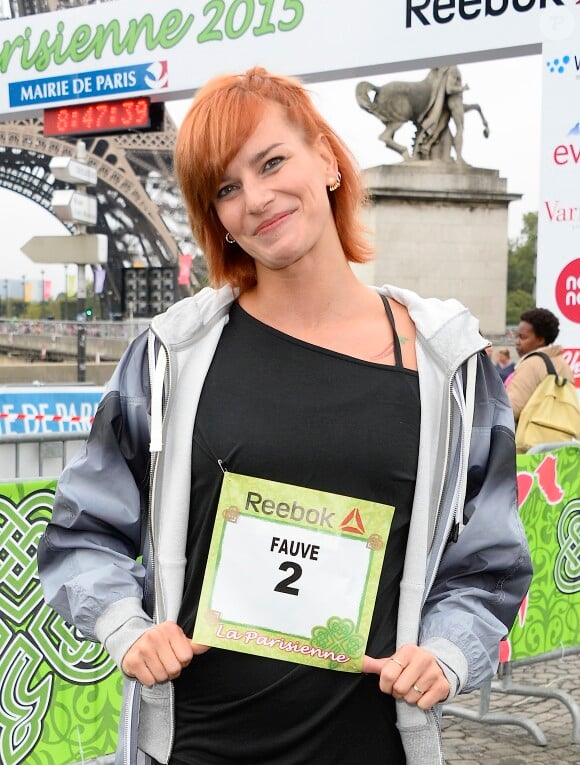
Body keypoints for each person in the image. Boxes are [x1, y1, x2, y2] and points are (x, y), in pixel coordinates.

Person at [37, 67, 532, 765]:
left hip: (371, 746)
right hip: (198, 745)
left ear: (326, 158)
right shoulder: (168, 357)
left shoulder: (450, 366)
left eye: (272, 162)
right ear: (217, 220)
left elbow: (489, 563)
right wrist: (128, 626)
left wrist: (445, 654)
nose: (257, 199)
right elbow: (81, 529)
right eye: (226, 189)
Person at [507, 307, 574, 422]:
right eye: (517, 336)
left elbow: (511, 409)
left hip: (531, 437)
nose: (517, 342)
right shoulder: (562, 363)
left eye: (523, 337)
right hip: (562, 436)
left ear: (540, 340)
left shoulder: (530, 365)